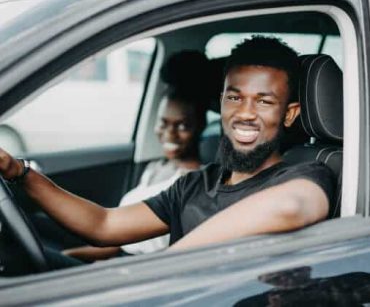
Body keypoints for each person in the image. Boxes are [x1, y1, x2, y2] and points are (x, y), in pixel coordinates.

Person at [0, 36, 334, 262]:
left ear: (288, 113)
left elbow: (291, 207)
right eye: (235, 97)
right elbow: (103, 225)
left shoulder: (306, 174)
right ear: (221, 103)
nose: (245, 113)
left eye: (264, 101)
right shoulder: (197, 183)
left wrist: (164, 267)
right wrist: (20, 173)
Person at [62, 87, 206, 261]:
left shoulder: (194, 186)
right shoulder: (155, 168)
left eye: (182, 125)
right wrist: (69, 256)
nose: (169, 134)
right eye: (163, 123)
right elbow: (120, 241)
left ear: (200, 126)